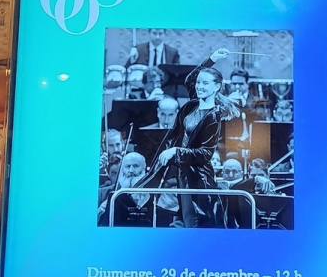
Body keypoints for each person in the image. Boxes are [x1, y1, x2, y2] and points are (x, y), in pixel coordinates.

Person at [137, 47, 239, 228]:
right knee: (185, 220)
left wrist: (175, 151)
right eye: (199, 83)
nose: (199, 86)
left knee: (196, 224)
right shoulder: (193, 104)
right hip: (183, 173)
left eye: (205, 83)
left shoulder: (213, 116)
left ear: (216, 87)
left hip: (198, 179)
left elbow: (205, 154)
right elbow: (190, 79)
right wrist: (212, 59)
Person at [99, 152, 153, 227]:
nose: (131, 170)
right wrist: (100, 211)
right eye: (127, 166)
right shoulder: (102, 193)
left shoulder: (153, 193)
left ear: (144, 168)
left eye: (136, 166)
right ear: (122, 170)